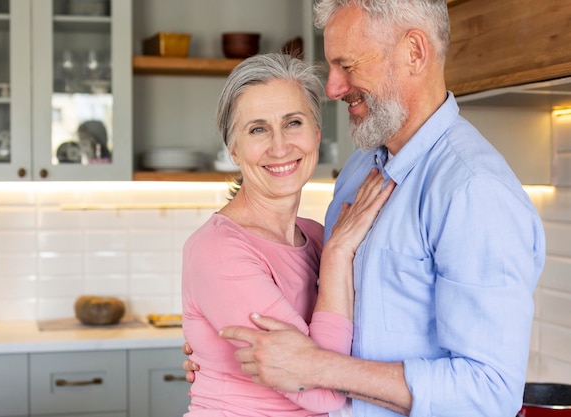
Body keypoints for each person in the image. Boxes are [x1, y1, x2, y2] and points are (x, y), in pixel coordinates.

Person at [187, 1, 546, 416]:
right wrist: (217, 357)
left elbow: (490, 392)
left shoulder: (472, 191)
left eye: (348, 65)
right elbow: (317, 319)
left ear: (414, 52)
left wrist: (316, 367)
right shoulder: (360, 168)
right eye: (257, 129)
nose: (334, 88)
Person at [182, 52, 394, 416]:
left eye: (293, 122)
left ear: (315, 133)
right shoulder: (218, 250)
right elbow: (322, 394)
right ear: (233, 149)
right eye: (258, 129)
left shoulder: (315, 237)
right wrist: (338, 254)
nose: (280, 146)